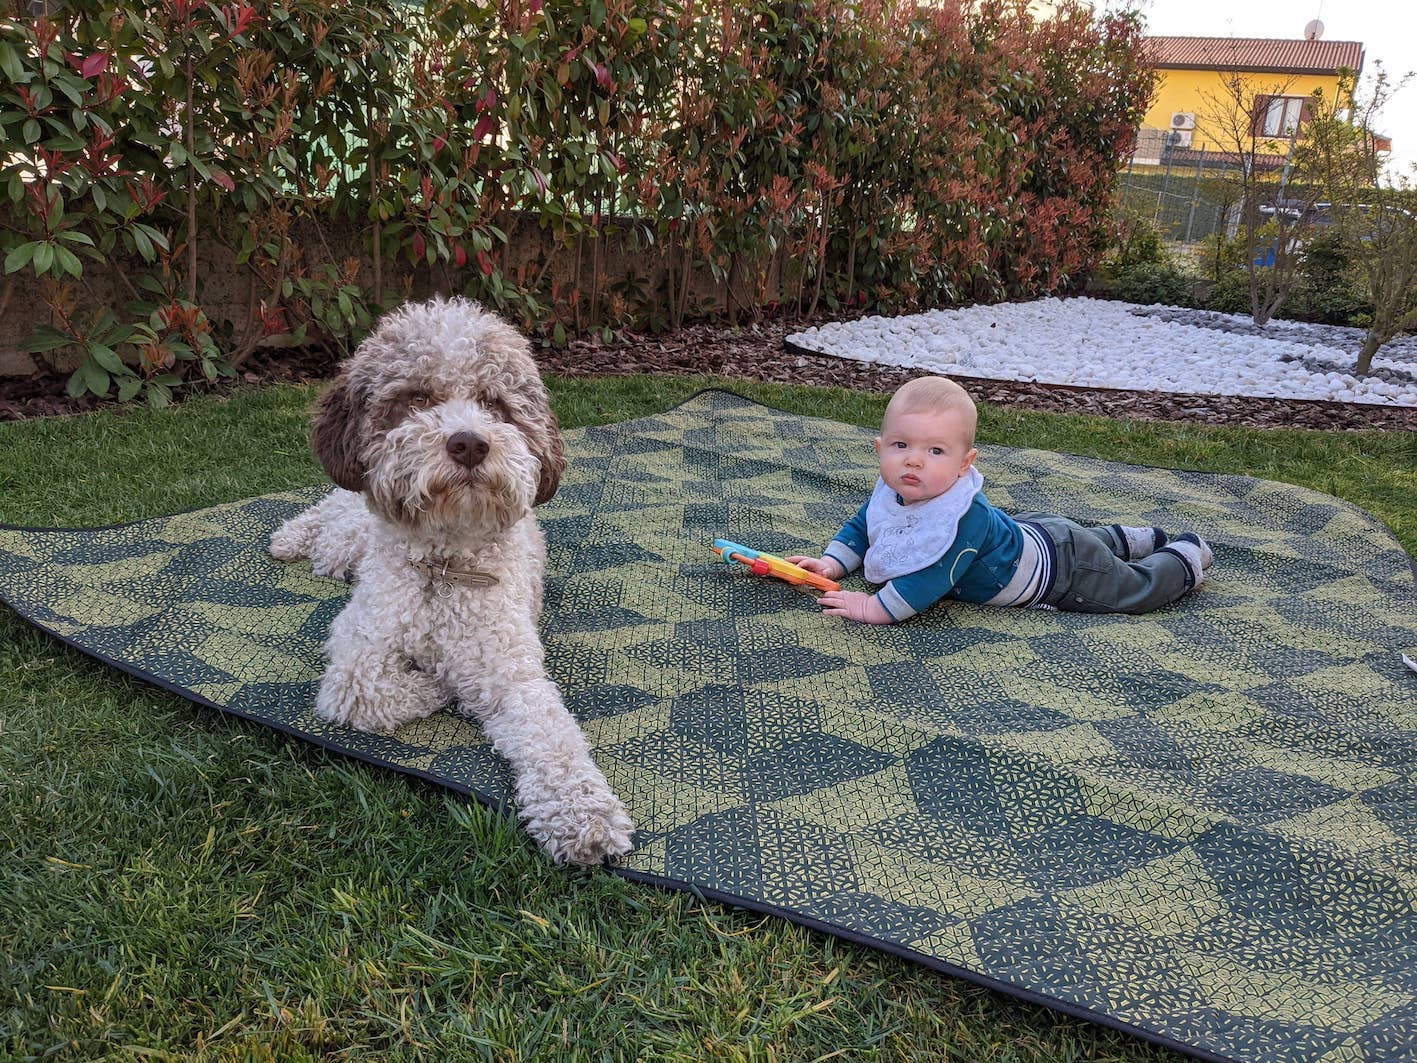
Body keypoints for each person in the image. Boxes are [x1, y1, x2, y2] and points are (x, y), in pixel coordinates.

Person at [786, 376, 1213, 624]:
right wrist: (832, 564)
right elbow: (863, 528)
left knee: (1129, 589)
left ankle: (1184, 555)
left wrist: (873, 606)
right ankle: (1129, 538)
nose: (913, 460)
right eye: (901, 445)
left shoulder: (961, 518)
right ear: (880, 449)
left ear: (964, 464)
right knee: (1086, 542)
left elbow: (931, 576)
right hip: (1037, 531)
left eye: (935, 451)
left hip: (1058, 570)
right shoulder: (893, 492)